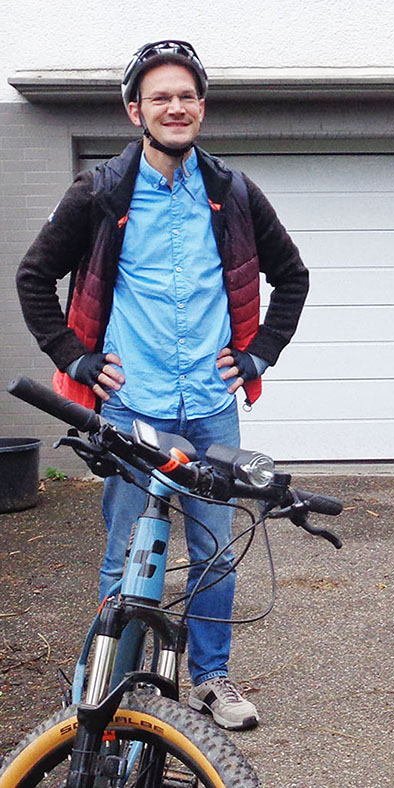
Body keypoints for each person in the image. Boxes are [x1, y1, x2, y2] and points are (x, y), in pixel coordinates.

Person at [16, 40, 309, 731]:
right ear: (134, 111)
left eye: (187, 96)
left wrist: (260, 352)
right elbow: (33, 277)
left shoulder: (232, 193)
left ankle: (210, 678)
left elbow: (291, 276)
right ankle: (103, 681)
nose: (176, 108)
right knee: (125, 554)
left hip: (211, 410)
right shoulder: (99, 191)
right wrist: (73, 355)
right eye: (161, 97)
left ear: (201, 107)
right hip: (132, 408)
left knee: (214, 552)